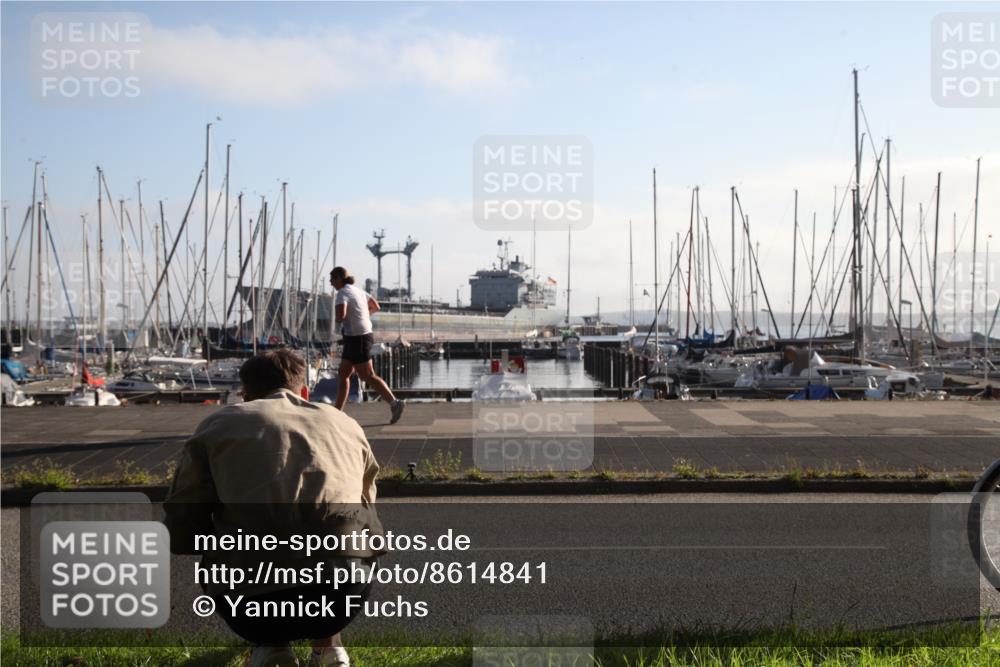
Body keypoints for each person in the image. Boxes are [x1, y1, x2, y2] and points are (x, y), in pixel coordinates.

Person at [164, 349, 383, 667]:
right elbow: (367, 512)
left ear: (246, 394)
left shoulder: (217, 426)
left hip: (253, 607)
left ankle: (270, 645)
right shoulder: (345, 424)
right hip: (341, 600)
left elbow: (183, 523)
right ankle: (329, 647)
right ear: (304, 391)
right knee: (345, 540)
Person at [330, 266, 404, 423]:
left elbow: (340, 315)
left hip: (358, 338)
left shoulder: (342, 293)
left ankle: (395, 403)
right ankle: (338, 412)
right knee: (344, 374)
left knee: (367, 375)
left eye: (332, 279)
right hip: (359, 336)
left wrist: (339, 319)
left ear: (339, 279)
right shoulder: (358, 290)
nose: (330, 283)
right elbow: (376, 306)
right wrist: (363, 316)